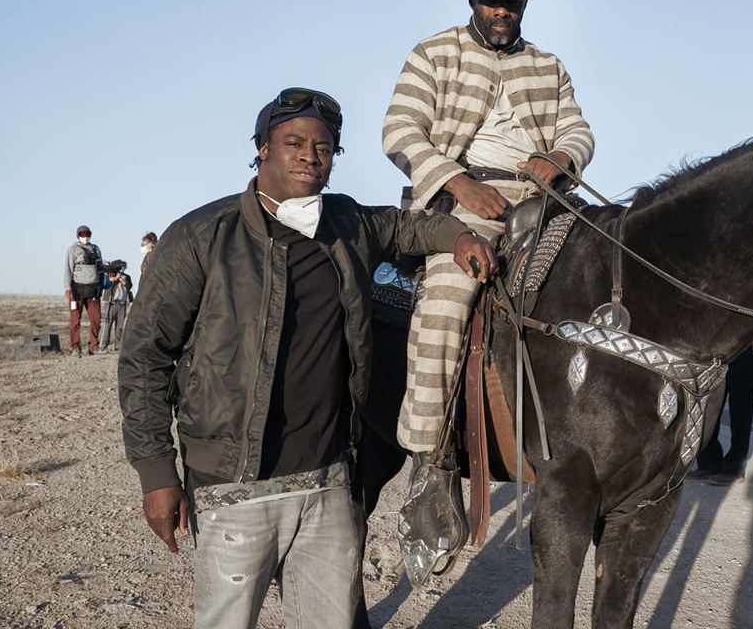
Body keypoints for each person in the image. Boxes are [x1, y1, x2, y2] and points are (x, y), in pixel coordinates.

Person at [118, 88, 496, 628]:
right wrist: (157, 473)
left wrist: (458, 234)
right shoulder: (202, 236)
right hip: (232, 486)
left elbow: (407, 226)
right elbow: (143, 357)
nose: (308, 156)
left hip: (327, 483)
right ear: (262, 150)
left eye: (324, 148)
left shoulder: (343, 224)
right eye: (293, 142)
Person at [383, 0, 595, 456]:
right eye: (493, 1)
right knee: (448, 299)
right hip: (467, 201)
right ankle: (428, 457)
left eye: (513, 3)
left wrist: (563, 155)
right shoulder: (434, 53)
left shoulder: (548, 66)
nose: (503, 11)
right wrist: (458, 184)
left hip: (546, 202)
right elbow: (399, 130)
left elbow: (578, 129)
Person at [689, 332, 753, 485]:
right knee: (708, 407)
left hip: (746, 346)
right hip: (715, 346)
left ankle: (734, 468)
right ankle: (709, 463)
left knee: (740, 409)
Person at [63, 225, 104, 356]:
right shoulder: (73, 250)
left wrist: (102, 284)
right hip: (77, 290)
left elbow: (100, 268)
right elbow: (68, 270)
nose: (85, 236)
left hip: (93, 289)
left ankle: (93, 346)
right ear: (78, 235)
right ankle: (75, 347)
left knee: (96, 319)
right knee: (75, 321)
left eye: (87, 234)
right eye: (82, 234)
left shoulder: (96, 249)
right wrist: (67, 288)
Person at [99, 265, 133, 352]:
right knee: (107, 325)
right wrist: (114, 279)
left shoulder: (126, 276)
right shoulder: (109, 275)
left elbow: (129, 286)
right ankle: (103, 346)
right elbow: (106, 283)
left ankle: (118, 346)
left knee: (120, 327)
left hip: (122, 304)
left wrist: (123, 281)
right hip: (111, 303)